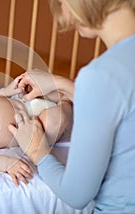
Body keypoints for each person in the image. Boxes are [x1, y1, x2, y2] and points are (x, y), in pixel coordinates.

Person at [9, 0, 135, 212]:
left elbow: (76, 194)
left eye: (61, 2)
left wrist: (38, 151)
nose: (65, 16)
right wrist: (63, 85)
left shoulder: (101, 77)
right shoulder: (110, 77)